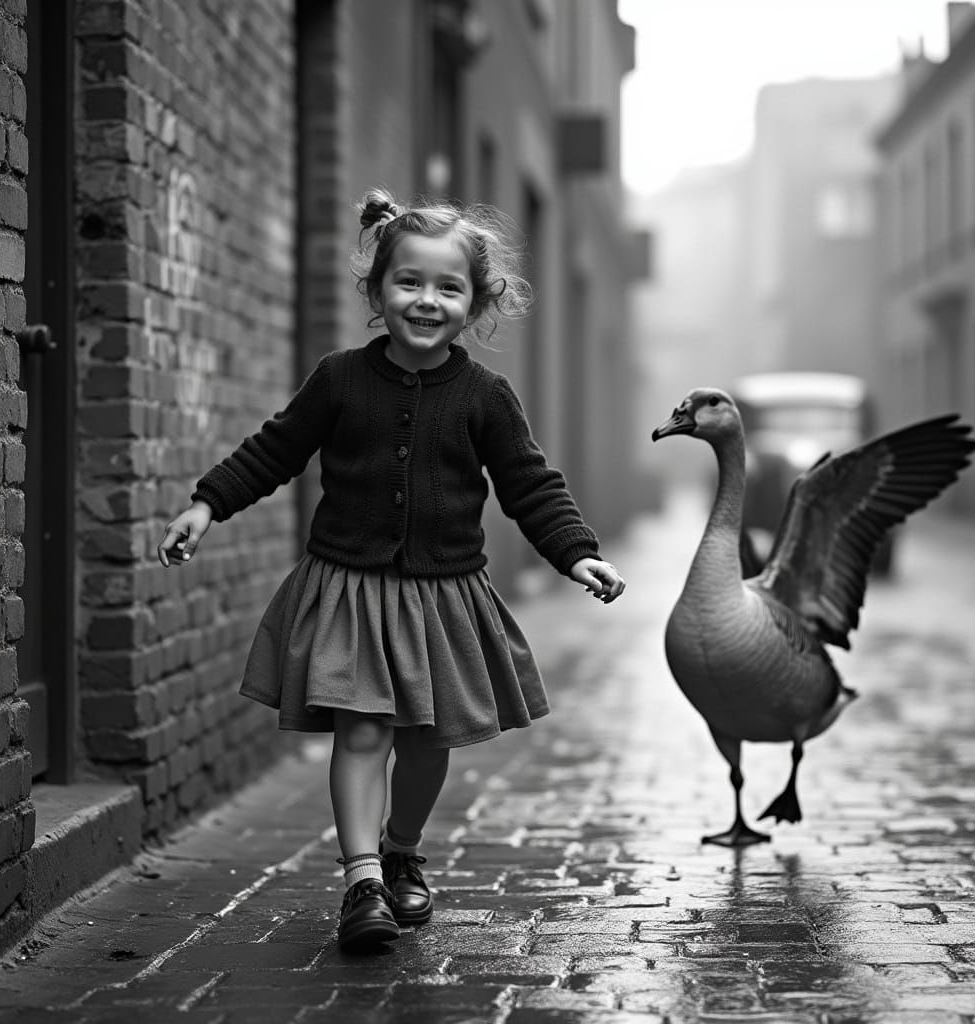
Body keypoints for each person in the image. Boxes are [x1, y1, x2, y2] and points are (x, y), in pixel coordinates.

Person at [157, 187, 626, 954]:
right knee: (364, 730)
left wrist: (577, 554)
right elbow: (274, 451)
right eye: (408, 282)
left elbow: (530, 485)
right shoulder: (339, 378)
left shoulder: (485, 396)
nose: (426, 300)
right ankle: (363, 879)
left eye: (449, 287)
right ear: (377, 290)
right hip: (350, 589)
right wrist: (207, 504)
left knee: (428, 743)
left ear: (477, 303)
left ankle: (404, 847)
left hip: (443, 596)